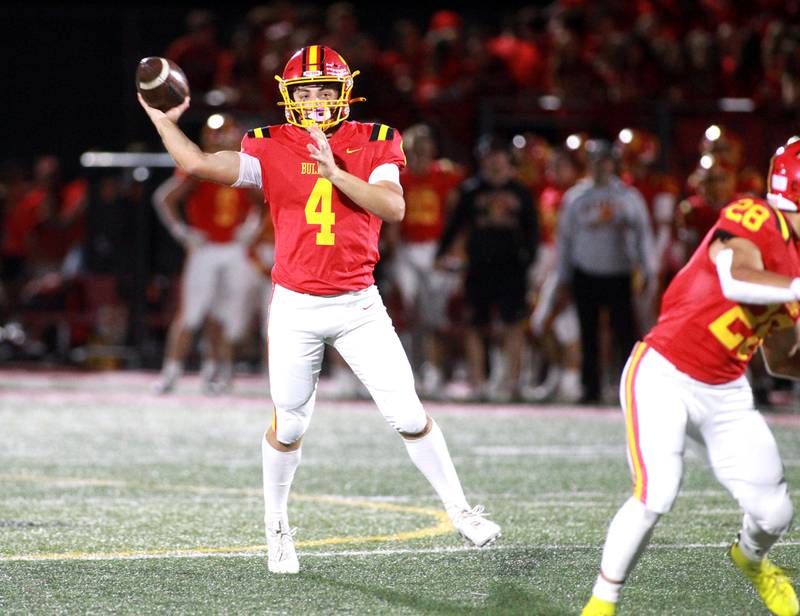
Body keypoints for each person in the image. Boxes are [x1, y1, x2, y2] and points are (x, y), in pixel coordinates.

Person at [138, 44, 501, 574]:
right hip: (295, 307)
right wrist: (162, 119)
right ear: (289, 96)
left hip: (358, 305)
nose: (313, 100)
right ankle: (277, 529)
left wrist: (334, 172)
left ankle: (460, 510)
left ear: (343, 93)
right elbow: (196, 163)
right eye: (304, 91)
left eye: (323, 90)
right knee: (288, 425)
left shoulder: (376, 140)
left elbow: (393, 207)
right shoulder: (269, 144)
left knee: (408, 414)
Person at [581, 137, 800, 616]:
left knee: (775, 511)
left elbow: (782, 359)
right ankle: (601, 604)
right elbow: (735, 277)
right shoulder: (757, 216)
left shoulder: (796, 261)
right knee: (657, 491)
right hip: (664, 372)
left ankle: (750, 559)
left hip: (725, 389)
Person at [151, 113, 262, 395]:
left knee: (225, 317)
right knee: (190, 314)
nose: (220, 138)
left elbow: (265, 202)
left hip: (235, 250)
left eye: (225, 132)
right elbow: (164, 198)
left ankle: (219, 372)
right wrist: (182, 232)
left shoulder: (244, 164)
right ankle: (171, 372)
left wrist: (251, 227)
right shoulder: (199, 165)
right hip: (207, 249)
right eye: (216, 133)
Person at [552, 138, 655, 405]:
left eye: (606, 161)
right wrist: (562, 276)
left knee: (625, 333)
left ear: (614, 163)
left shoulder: (629, 197)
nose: (601, 167)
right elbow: (565, 239)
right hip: (585, 271)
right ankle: (591, 387)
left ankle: (630, 386)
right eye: (596, 161)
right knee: (588, 334)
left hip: (619, 272)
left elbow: (644, 235)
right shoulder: (575, 197)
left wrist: (648, 269)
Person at [436, 135, 538, 402]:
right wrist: (440, 252)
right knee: (474, 324)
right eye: (489, 156)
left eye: (498, 156)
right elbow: (455, 225)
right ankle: (478, 382)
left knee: (514, 324)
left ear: (508, 160)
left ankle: (512, 383)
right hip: (479, 265)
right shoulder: (471, 190)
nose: (494, 162)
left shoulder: (521, 192)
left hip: (512, 266)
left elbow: (532, 231)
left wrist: (531, 260)